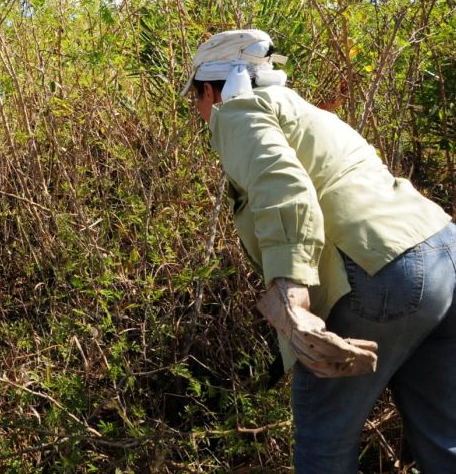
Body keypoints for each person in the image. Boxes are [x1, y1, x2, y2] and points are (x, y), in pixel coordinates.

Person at [183, 29, 455, 472]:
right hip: (442, 251)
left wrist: (292, 296)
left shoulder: (235, 111)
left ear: (212, 89)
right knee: (446, 438)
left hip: (380, 271)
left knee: (323, 445)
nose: (198, 111)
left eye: (196, 98)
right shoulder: (307, 113)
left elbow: (282, 187)